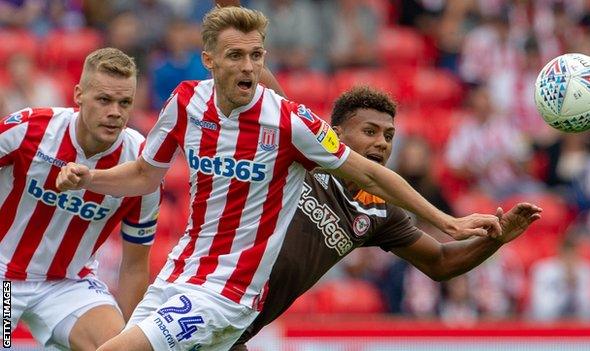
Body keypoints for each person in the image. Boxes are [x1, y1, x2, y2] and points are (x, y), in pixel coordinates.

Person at [56, 6, 501, 351]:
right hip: (179, 274)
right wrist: (89, 177)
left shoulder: (288, 122)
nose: (249, 66)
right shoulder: (186, 102)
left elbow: (369, 173)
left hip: (227, 293)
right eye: (236, 55)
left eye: (256, 55)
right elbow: (142, 175)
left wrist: (448, 221)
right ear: (209, 60)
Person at [229, 86, 542, 350]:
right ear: (335, 134)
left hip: (235, 330)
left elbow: (441, 262)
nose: (382, 142)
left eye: (389, 136)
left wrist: (495, 241)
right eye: (370, 131)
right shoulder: (303, 157)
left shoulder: (380, 212)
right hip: (212, 297)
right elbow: (262, 79)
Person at [0, 47, 161, 350]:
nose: (115, 112)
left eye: (124, 102)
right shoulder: (28, 130)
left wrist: (132, 337)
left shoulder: (142, 167)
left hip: (67, 284)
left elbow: (135, 264)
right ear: (78, 95)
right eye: (104, 100)